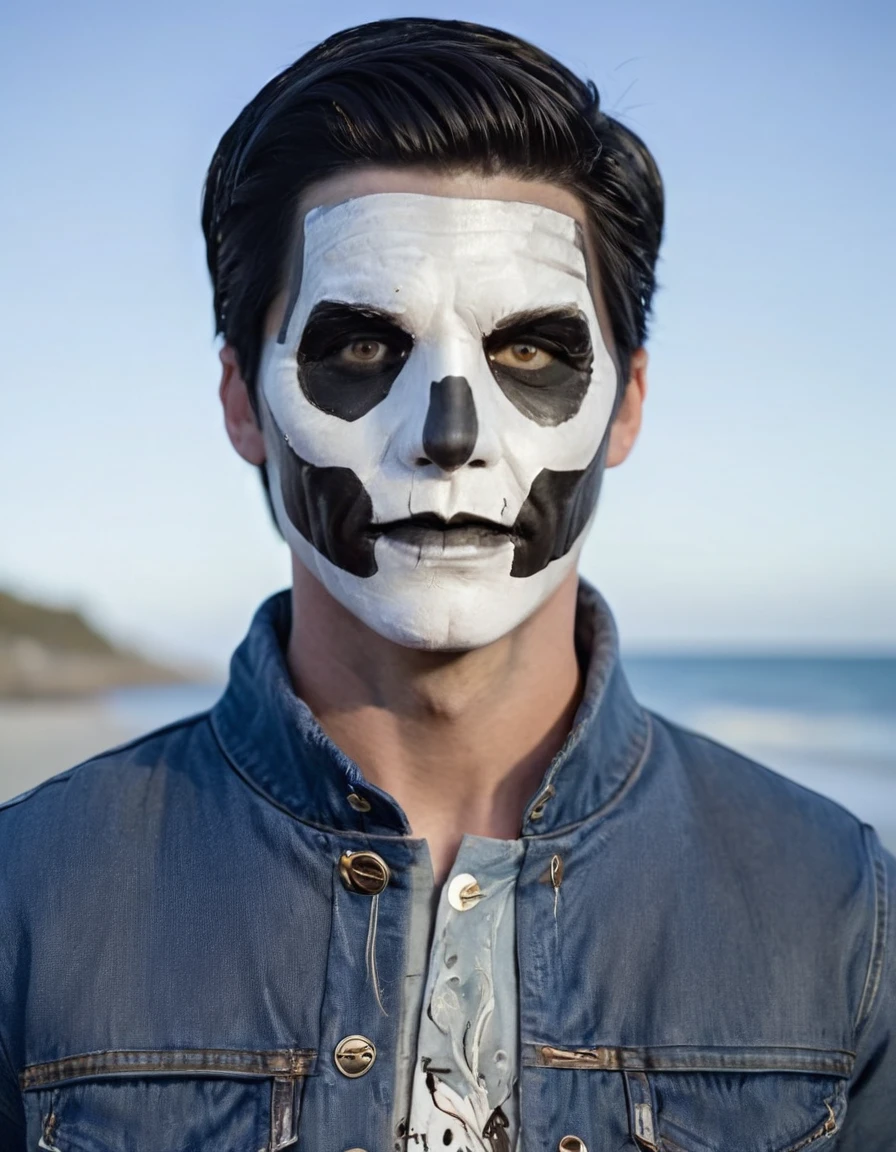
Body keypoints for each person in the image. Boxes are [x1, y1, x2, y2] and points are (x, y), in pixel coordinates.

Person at [0, 17, 892, 1151]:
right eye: (365, 347)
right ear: (241, 400)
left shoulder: (842, 916)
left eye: (527, 349)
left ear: (623, 404)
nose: (448, 434)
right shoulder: (24, 905)